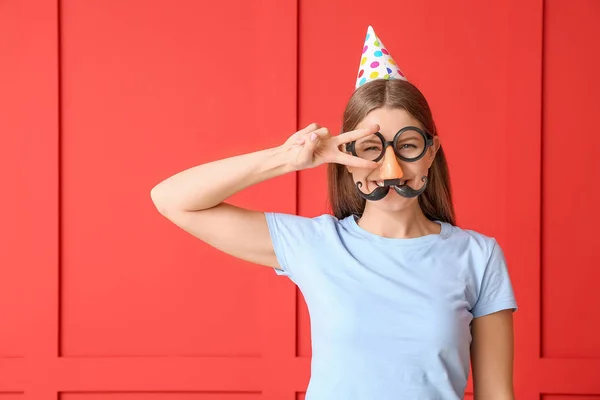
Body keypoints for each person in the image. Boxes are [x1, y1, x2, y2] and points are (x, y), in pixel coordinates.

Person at [150, 26, 517, 400]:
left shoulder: (479, 255)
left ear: (432, 150)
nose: (391, 169)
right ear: (346, 157)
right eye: (370, 148)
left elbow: (497, 394)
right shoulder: (315, 244)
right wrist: (286, 158)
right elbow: (171, 199)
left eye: (407, 145)